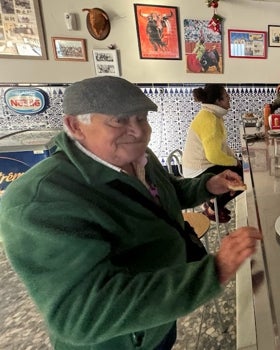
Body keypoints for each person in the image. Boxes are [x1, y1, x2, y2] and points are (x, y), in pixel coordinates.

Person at [0, 76, 262, 350]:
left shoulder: (138, 157)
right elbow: (83, 313)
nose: (138, 132)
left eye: (141, 118)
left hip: (158, 318)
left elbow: (165, 193)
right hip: (123, 341)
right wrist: (214, 271)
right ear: (75, 125)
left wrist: (208, 185)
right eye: (119, 120)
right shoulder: (40, 200)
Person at [182, 83, 242, 223]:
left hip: (203, 165)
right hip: (197, 171)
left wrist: (235, 159)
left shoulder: (213, 115)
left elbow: (222, 145)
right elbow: (214, 156)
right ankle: (212, 209)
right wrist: (234, 162)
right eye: (226, 96)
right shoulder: (209, 120)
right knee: (241, 178)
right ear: (217, 101)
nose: (229, 98)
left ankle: (215, 202)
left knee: (240, 170)